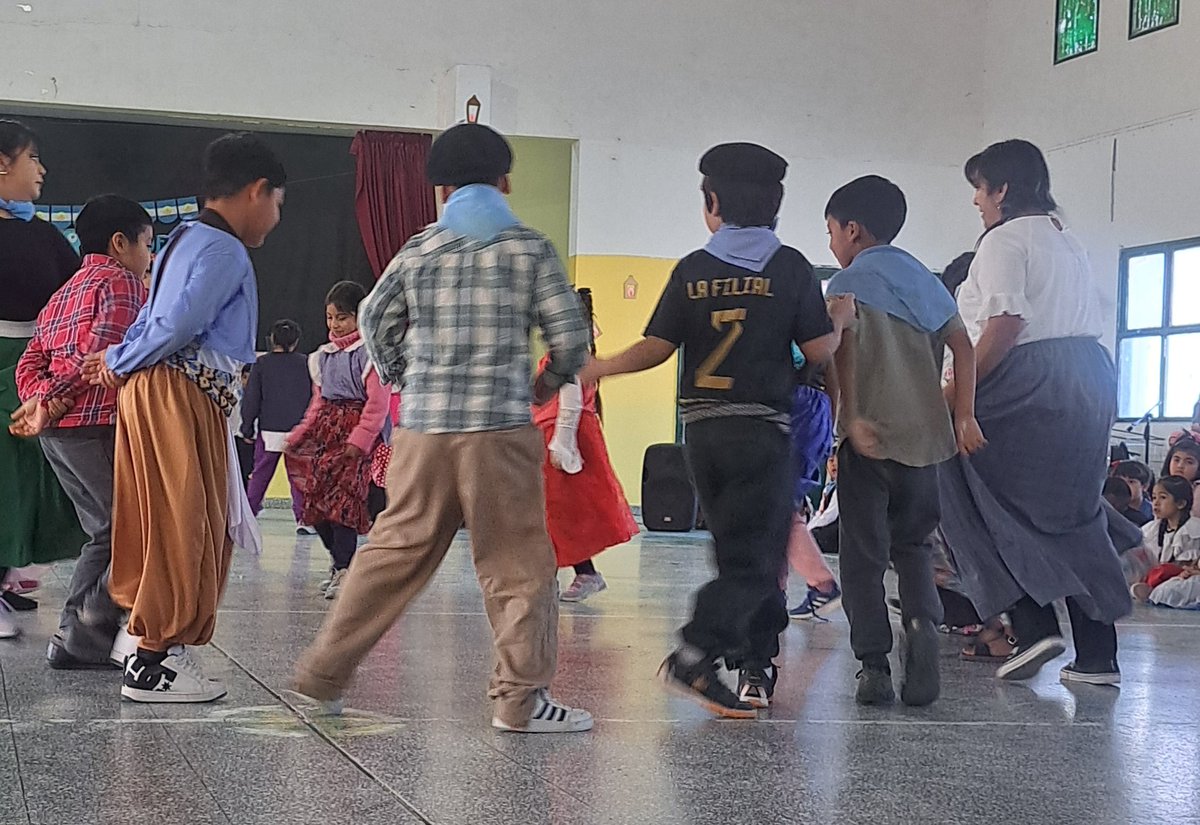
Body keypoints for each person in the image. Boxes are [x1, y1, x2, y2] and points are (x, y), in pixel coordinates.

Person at [292, 123, 594, 733]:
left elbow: (373, 318)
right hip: (498, 430)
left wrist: (404, 378)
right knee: (517, 565)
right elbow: (570, 339)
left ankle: (322, 677)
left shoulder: (419, 248)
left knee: (391, 554)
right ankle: (519, 703)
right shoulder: (529, 249)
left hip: (422, 434)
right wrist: (544, 386)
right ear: (505, 182)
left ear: (441, 190)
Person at [580, 142, 842, 716]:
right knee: (760, 561)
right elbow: (819, 349)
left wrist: (599, 367)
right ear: (776, 205)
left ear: (713, 204)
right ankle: (697, 655)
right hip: (760, 432)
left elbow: (656, 346)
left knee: (735, 554)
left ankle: (745, 663)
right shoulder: (790, 266)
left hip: (702, 436)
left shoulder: (692, 269)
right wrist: (839, 323)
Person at [83, 132, 285, 703]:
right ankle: (154, 662)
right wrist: (121, 359)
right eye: (278, 203)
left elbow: (153, 318)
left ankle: (144, 641)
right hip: (180, 392)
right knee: (184, 524)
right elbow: (177, 324)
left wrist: (120, 359)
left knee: (161, 520)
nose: (276, 218)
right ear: (257, 191)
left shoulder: (183, 239)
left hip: (158, 389)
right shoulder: (224, 250)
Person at [938, 139, 1131, 687]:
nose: (976, 200)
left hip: (1028, 380)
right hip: (1088, 378)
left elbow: (1005, 324)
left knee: (955, 480)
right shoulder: (1065, 239)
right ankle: (1097, 655)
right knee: (1074, 514)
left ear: (1002, 189)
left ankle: (1030, 620)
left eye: (980, 188)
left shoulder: (1004, 240)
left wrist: (958, 397)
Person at [823, 174, 984, 707]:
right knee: (914, 546)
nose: (832, 243)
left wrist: (845, 420)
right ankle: (921, 624)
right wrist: (964, 416)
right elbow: (964, 347)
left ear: (852, 229)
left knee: (862, 556)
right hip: (925, 441)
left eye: (831, 232)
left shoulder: (845, 284)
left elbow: (838, 356)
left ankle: (873, 662)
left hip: (867, 438)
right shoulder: (924, 279)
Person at [10, 195, 151, 667]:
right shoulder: (123, 283)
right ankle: (90, 621)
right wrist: (51, 399)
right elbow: (101, 354)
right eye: (147, 244)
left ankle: (75, 640)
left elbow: (31, 359)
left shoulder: (64, 291)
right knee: (131, 529)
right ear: (120, 243)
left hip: (57, 433)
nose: (149, 256)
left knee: (104, 532)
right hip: (95, 426)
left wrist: (40, 400)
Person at [0, 118, 86, 635]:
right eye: (32, 157)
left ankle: (10, 573)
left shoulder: (44, 233)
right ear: (2, 163)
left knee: (40, 477)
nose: (42, 169)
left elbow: (77, 291)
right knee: (6, 475)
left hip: (39, 369)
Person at [533, 287, 637, 603]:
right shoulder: (569, 352)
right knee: (555, 510)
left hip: (563, 439)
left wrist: (562, 444)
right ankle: (558, 572)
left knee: (560, 510)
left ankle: (575, 573)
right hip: (553, 436)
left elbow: (571, 400)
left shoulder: (573, 354)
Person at [286, 281, 389, 599]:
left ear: (359, 316)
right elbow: (318, 403)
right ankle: (341, 562)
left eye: (342, 317)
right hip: (326, 433)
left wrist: (361, 439)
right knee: (316, 501)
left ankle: (345, 567)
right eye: (330, 317)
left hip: (354, 437)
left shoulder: (369, 355)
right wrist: (301, 432)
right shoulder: (323, 357)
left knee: (343, 503)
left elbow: (377, 404)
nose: (334, 324)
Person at [241, 319, 313, 531]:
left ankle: (248, 515)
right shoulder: (306, 363)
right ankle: (303, 520)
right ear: (296, 341)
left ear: (272, 339)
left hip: (268, 430)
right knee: (298, 478)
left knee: (260, 476)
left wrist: (247, 428)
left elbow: (252, 399)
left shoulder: (262, 364)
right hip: (299, 431)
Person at [1130, 476, 1200, 605]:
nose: (1156, 503)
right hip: (1154, 574)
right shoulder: (1150, 529)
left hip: (1181, 576)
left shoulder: (1195, 530)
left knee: (1174, 588)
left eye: (1163, 498)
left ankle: (1153, 592)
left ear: (1181, 503)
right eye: (1154, 497)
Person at [1161, 434, 1200, 518]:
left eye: (1189, 462)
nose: (1180, 466)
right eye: (1176, 460)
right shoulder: (1162, 486)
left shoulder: (1198, 489)